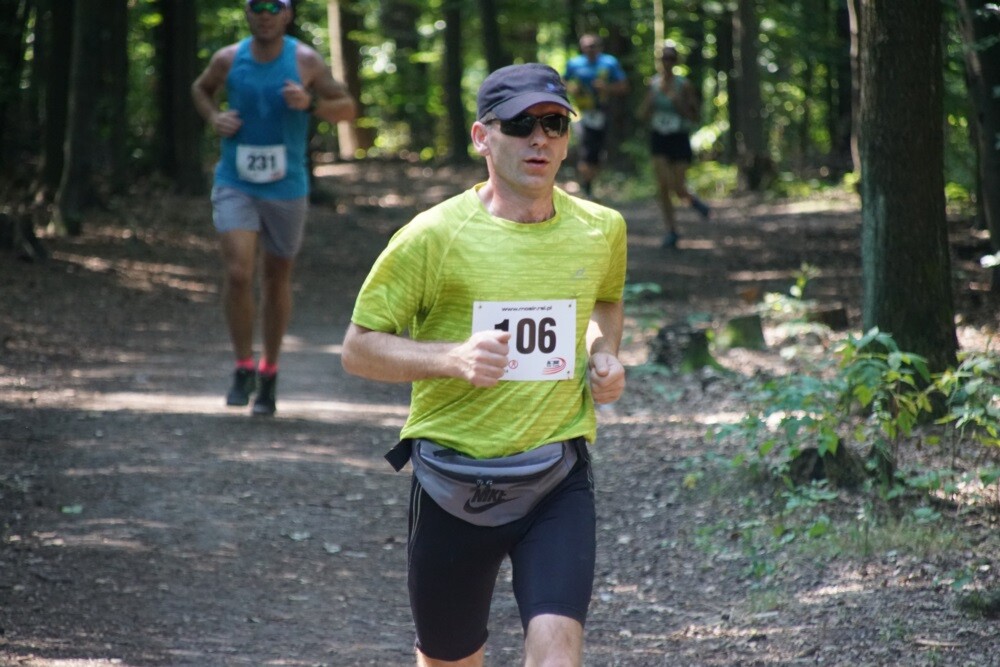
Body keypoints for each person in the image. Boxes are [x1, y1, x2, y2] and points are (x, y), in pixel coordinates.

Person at [341, 63, 627, 666]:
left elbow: (605, 299)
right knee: (451, 658)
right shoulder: (432, 236)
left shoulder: (601, 229)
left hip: (556, 474)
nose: (539, 139)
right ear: (482, 137)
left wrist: (602, 353)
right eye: (520, 125)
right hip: (452, 479)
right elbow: (359, 347)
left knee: (558, 652)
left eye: (554, 124)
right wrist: (449, 357)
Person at [191, 0, 357, 416]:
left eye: (274, 6)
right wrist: (214, 118)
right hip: (236, 181)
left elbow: (347, 108)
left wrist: (310, 104)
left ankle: (269, 371)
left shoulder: (305, 60)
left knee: (276, 276)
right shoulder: (228, 58)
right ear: (247, 13)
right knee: (238, 272)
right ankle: (242, 365)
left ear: (287, 14)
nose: (265, 14)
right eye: (256, 6)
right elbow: (200, 89)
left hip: (286, 185)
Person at [638, 42, 710, 249]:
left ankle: (693, 201)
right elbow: (642, 114)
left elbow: (694, 116)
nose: (667, 62)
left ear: (676, 61)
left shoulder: (684, 85)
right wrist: (650, 101)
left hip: (679, 137)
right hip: (659, 137)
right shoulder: (652, 84)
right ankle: (671, 230)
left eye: (670, 58)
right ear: (659, 61)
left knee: (678, 187)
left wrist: (677, 102)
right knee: (663, 186)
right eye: (664, 58)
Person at [563, 34, 629, 199]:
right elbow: (562, 82)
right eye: (586, 46)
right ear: (581, 47)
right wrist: (572, 88)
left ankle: (590, 182)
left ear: (599, 47)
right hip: (581, 112)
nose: (589, 49)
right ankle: (587, 187)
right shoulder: (574, 63)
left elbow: (623, 86)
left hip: (602, 111)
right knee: (585, 146)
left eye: (593, 46)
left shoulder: (609, 62)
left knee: (598, 151)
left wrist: (606, 88)